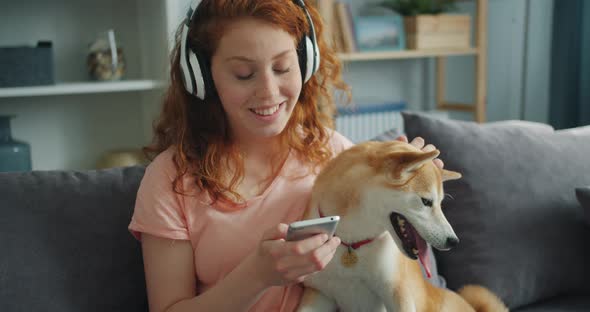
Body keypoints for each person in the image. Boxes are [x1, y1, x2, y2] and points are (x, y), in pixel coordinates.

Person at [128, 1, 443, 311]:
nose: (268, 91)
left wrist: (410, 193)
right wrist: (257, 275)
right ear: (204, 79)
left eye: (282, 68)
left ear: (305, 63)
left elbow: (391, 267)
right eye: (243, 74)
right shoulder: (172, 179)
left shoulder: (336, 157)